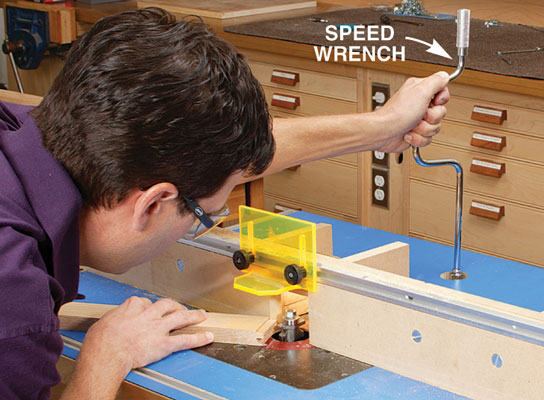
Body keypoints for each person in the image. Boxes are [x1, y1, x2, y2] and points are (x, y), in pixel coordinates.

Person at [0, 7, 450, 399]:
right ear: (153, 204)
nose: (204, 222)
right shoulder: (15, 313)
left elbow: (215, 156)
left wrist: (383, 126)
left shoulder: (26, 128)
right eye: (205, 216)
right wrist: (106, 358)